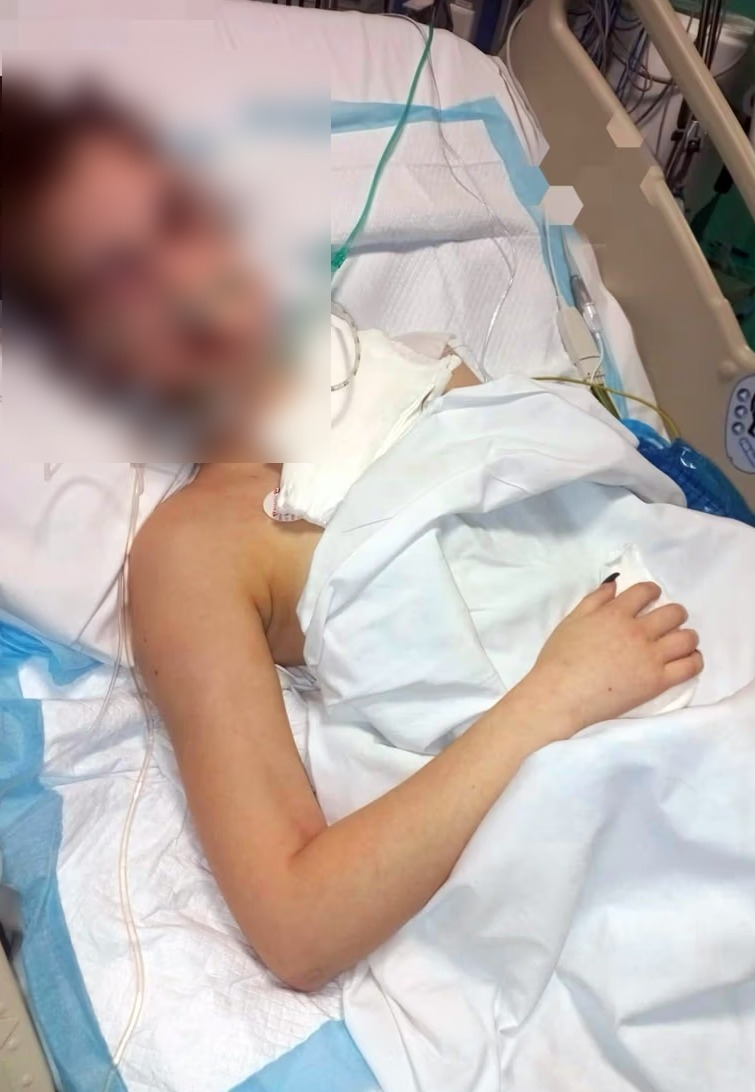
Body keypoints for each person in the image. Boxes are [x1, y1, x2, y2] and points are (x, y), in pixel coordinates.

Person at [2, 79, 703, 992]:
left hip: (722, 618)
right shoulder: (197, 548)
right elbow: (297, 926)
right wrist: (555, 700)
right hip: (632, 776)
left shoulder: (418, 361)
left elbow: (606, 515)